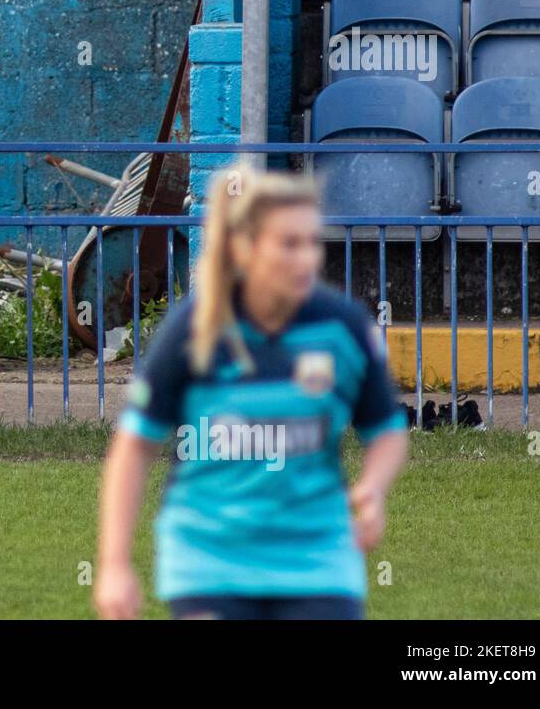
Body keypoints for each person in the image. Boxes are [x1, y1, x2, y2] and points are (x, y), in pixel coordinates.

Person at [94, 163, 408, 619]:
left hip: (317, 560)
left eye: (311, 243)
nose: (307, 260)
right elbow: (134, 446)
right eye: (289, 244)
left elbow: (387, 430)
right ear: (244, 249)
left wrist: (374, 488)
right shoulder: (195, 330)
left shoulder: (343, 328)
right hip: (208, 560)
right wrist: (114, 565)